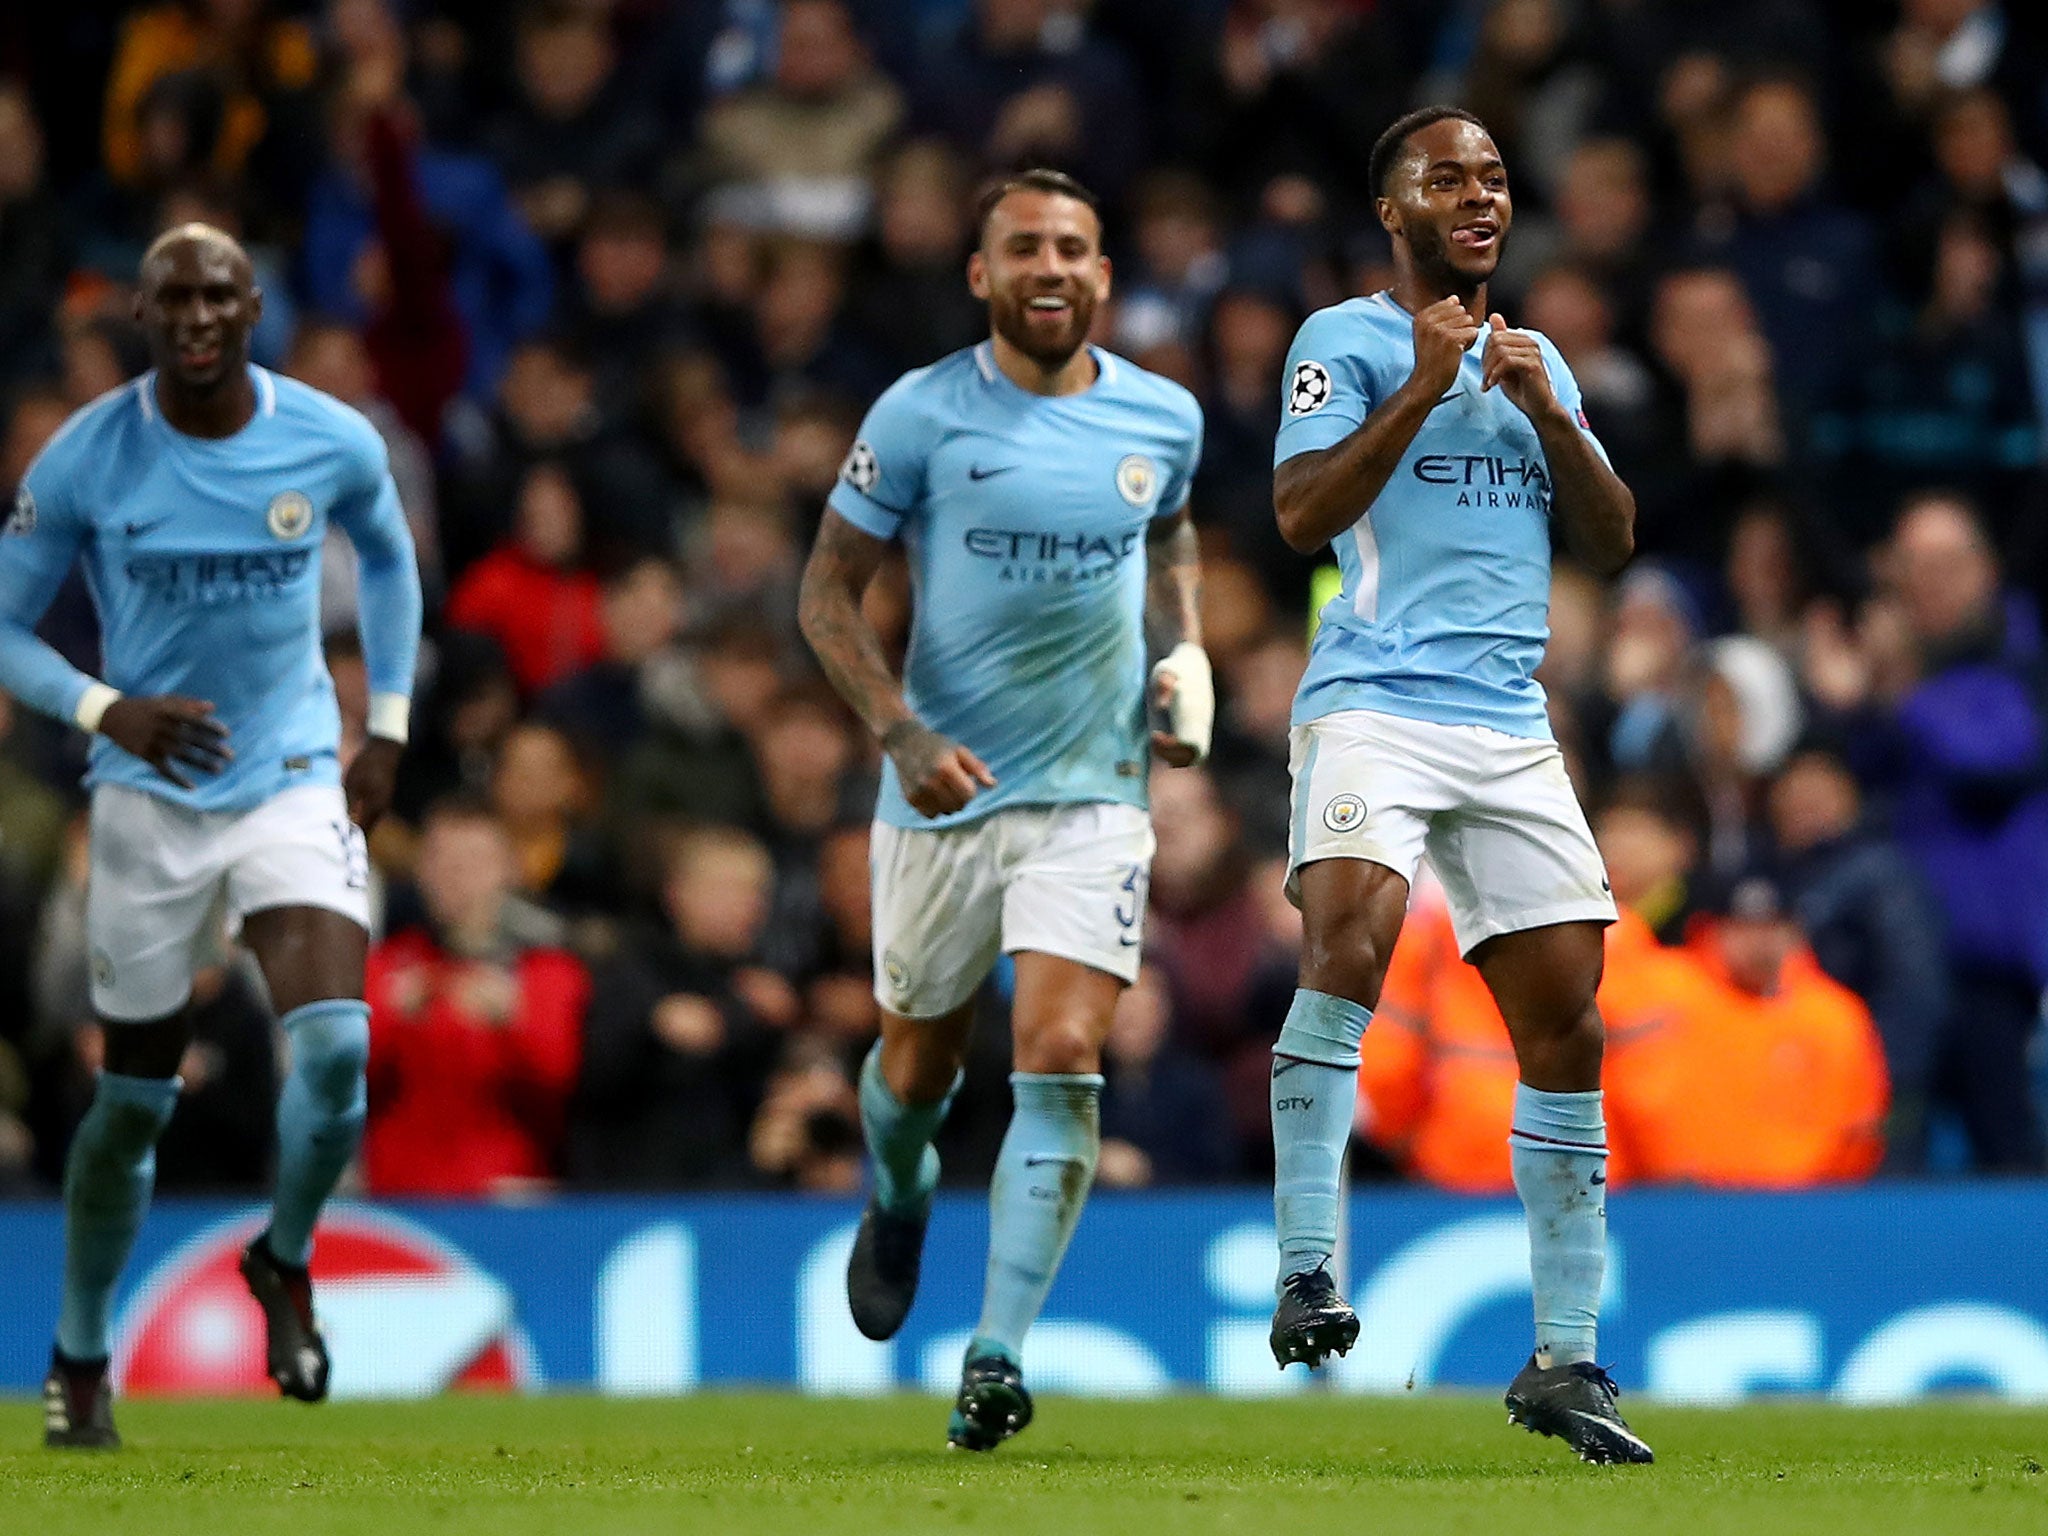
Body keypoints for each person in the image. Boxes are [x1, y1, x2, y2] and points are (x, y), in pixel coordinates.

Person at [796, 168, 1208, 1451]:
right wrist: (899, 733)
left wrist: (1182, 648)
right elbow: (825, 594)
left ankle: (995, 1353)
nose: (1049, 265)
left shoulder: (1164, 417)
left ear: (1102, 275)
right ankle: (899, 1186)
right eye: (1022, 246)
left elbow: (1173, 529)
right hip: (940, 798)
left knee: (1064, 1053)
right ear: (980, 275)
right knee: (915, 1069)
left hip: (1093, 796)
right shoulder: (919, 416)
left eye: (1074, 247)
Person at [1266, 108, 1649, 1464]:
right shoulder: (1347, 341)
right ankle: (1309, 1264)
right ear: (1395, 209)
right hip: (1374, 702)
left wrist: (1550, 415)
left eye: (1493, 175)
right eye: (1448, 177)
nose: (1479, 195)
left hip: (1508, 721)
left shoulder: (1538, 360)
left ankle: (1566, 1357)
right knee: (1354, 934)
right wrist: (1425, 388)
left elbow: (1609, 541)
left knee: (1570, 1023)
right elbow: (1301, 515)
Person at [0, 225, 422, 1448]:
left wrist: (382, 726)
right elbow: (8, 625)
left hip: (290, 775)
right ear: (142, 311)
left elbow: (390, 561)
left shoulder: (329, 438)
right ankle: (81, 1354)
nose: (197, 315)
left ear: (254, 310)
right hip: (145, 797)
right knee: (130, 1106)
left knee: (337, 1048)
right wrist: (104, 705)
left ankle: (283, 1257)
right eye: (175, 295)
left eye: (219, 294)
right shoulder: (87, 457)